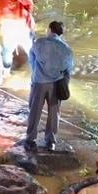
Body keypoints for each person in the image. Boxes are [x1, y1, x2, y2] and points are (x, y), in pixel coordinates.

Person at [24, 20, 73, 151]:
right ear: (60, 33)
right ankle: (50, 140)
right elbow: (68, 70)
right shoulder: (66, 49)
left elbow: (31, 59)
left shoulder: (39, 43)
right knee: (54, 113)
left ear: (49, 29)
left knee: (35, 111)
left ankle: (30, 139)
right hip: (56, 84)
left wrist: (36, 72)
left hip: (39, 83)